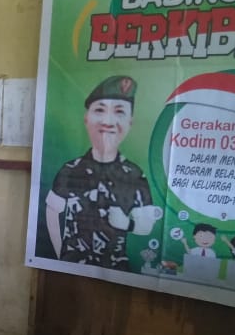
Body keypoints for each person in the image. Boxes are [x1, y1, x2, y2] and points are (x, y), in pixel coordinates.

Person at [45, 75, 161, 271]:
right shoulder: (70, 169)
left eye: (119, 112)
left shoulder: (134, 174)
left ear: (130, 122)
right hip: (72, 267)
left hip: (116, 269)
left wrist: (127, 224)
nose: (108, 121)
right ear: (86, 118)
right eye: (99, 110)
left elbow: (147, 225)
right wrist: (60, 255)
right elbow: (52, 211)